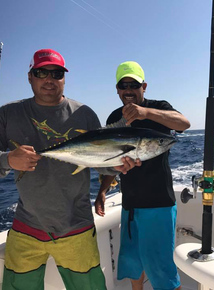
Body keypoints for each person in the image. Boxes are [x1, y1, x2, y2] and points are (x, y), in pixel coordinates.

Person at [0, 49, 140, 290]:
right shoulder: (8, 114)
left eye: (56, 73)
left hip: (77, 228)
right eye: (41, 72)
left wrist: (116, 167)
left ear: (64, 78)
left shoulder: (84, 114)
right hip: (26, 229)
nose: (49, 79)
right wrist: (8, 160)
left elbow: (101, 161)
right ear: (30, 77)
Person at [95, 61, 191, 290]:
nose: (128, 90)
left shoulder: (159, 107)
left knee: (162, 271)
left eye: (134, 85)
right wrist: (103, 190)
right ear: (117, 89)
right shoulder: (114, 117)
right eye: (123, 85)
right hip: (130, 204)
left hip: (158, 204)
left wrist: (145, 113)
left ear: (144, 86)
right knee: (133, 265)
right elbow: (112, 159)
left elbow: (184, 124)